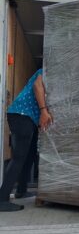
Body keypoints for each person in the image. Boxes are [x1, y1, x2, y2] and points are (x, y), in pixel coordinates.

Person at [0, 68, 52, 211]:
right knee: (19, 157)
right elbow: (37, 86)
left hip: (26, 117)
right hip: (22, 115)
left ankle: (21, 190)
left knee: (29, 155)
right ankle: (2, 198)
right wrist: (43, 111)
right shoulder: (47, 69)